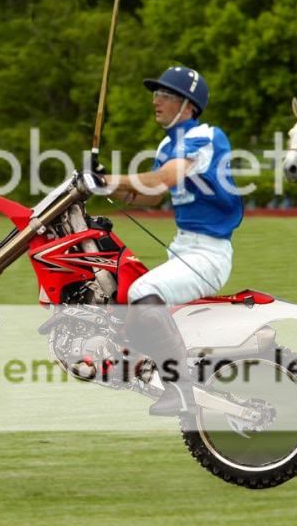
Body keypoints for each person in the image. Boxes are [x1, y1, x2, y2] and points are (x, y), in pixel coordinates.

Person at [103, 66, 244, 416]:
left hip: (208, 254)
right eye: (156, 94)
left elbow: (164, 178)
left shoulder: (205, 136)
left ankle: (182, 391)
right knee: (123, 292)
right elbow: (151, 196)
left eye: (165, 95)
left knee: (142, 292)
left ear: (188, 104)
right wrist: (104, 187)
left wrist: (109, 179)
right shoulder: (168, 144)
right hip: (182, 249)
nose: (156, 101)